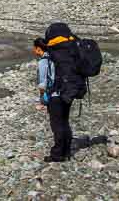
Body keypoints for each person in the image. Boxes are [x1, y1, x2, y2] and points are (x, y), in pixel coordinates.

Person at [42, 23, 87, 162]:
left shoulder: (52, 52)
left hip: (56, 93)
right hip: (70, 90)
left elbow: (48, 77)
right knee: (65, 121)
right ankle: (66, 151)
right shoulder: (71, 49)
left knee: (57, 124)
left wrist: (44, 95)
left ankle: (57, 154)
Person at [33, 37, 54, 110]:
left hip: (52, 94)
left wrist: (42, 100)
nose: (33, 50)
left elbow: (43, 83)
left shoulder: (42, 62)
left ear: (38, 49)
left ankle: (45, 102)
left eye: (34, 48)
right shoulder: (52, 56)